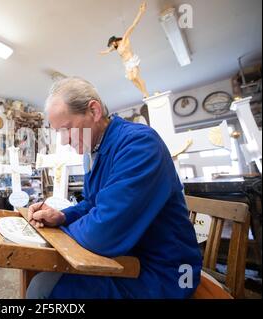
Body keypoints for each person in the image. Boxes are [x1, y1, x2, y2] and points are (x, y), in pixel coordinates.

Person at [27, 77, 201, 298]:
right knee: (42, 275)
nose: (63, 141)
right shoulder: (94, 152)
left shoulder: (139, 144)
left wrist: (62, 233)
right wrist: (61, 216)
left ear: (94, 110)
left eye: (66, 129)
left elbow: (103, 233)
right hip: (129, 256)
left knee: (43, 288)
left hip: (166, 272)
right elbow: (92, 203)